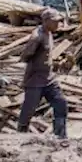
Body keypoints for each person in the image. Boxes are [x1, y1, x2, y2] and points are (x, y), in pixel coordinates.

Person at [17, 9, 67, 140]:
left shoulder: (49, 33)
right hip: (35, 79)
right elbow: (25, 56)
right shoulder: (37, 37)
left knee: (60, 103)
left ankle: (60, 135)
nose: (58, 24)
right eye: (55, 22)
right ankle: (20, 135)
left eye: (58, 21)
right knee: (29, 108)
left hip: (49, 78)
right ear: (45, 21)